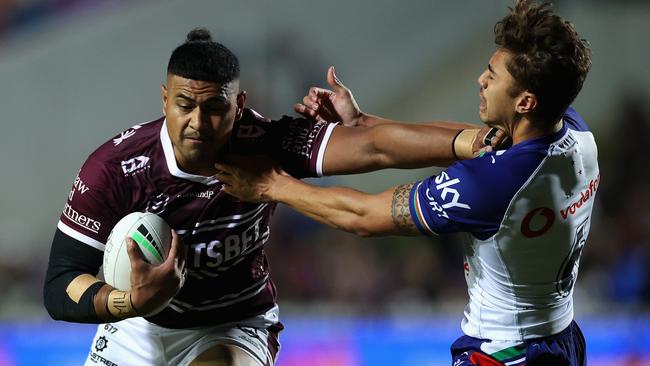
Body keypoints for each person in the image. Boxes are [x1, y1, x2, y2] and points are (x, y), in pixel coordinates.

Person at [43, 28, 500, 366]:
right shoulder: (115, 169)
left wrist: (470, 141)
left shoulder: (265, 141)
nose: (198, 123)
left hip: (232, 323)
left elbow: (374, 146)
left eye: (215, 107)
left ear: (238, 106)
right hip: (137, 327)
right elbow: (61, 282)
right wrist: (131, 303)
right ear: (165, 99)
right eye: (185, 105)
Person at [216, 0, 595, 364]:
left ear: (525, 102)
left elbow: (363, 215)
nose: (481, 80)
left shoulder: (492, 186)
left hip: (505, 353)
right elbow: (478, 141)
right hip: (561, 338)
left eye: (493, 77)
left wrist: (273, 185)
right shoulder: (575, 132)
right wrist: (364, 123)